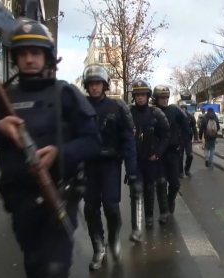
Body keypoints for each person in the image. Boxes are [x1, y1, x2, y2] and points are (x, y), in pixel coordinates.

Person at [0, 19, 102, 278]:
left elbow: (92, 141)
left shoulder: (65, 93)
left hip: (60, 196)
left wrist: (59, 152)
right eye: (23, 53)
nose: (29, 59)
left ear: (46, 57)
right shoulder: (2, 98)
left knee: (54, 269)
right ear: (15, 58)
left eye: (35, 53)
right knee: (34, 266)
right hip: (20, 202)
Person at [82, 64, 138, 270]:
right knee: (90, 208)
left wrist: (132, 171)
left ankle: (114, 239)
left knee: (112, 207)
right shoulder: (81, 108)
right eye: (91, 84)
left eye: (98, 83)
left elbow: (128, 142)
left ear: (104, 85)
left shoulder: (117, 108)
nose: (94, 87)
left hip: (111, 165)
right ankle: (99, 246)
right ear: (87, 86)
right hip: (89, 166)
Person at [129, 80, 170, 230]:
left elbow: (166, 134)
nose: (140, 98)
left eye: (143, 94)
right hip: (135, 160)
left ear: (148, 96)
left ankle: (149, 217)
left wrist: (158, 153)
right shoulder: (129, 113)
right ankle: (136, 224)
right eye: (137, 95)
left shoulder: (155, 113)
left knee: (150, 188)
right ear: (134, 96)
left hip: (151, 159)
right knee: (136, 190)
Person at [153, 85, 189, 218]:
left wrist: (182, 142)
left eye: (166, 97)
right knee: (161, 183)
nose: (165, 100)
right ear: (156, 98)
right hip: (159, 154)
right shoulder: (153, 112)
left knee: (175, 184)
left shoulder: (174, 111)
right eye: (162, 97)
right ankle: (164, 211)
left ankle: (170, 201)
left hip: (173, 152)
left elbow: (186, 125)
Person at [179, 101, 198, 178]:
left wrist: (196, 137)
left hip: (187, 139)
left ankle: (187, 169)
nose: (183, 109)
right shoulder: (177, 116)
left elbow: (194, 127)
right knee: (179, 156)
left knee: (190, 155)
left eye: (184, 108)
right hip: (179, 138)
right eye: (181, 108)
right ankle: (180, 172)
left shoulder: (190, 116)